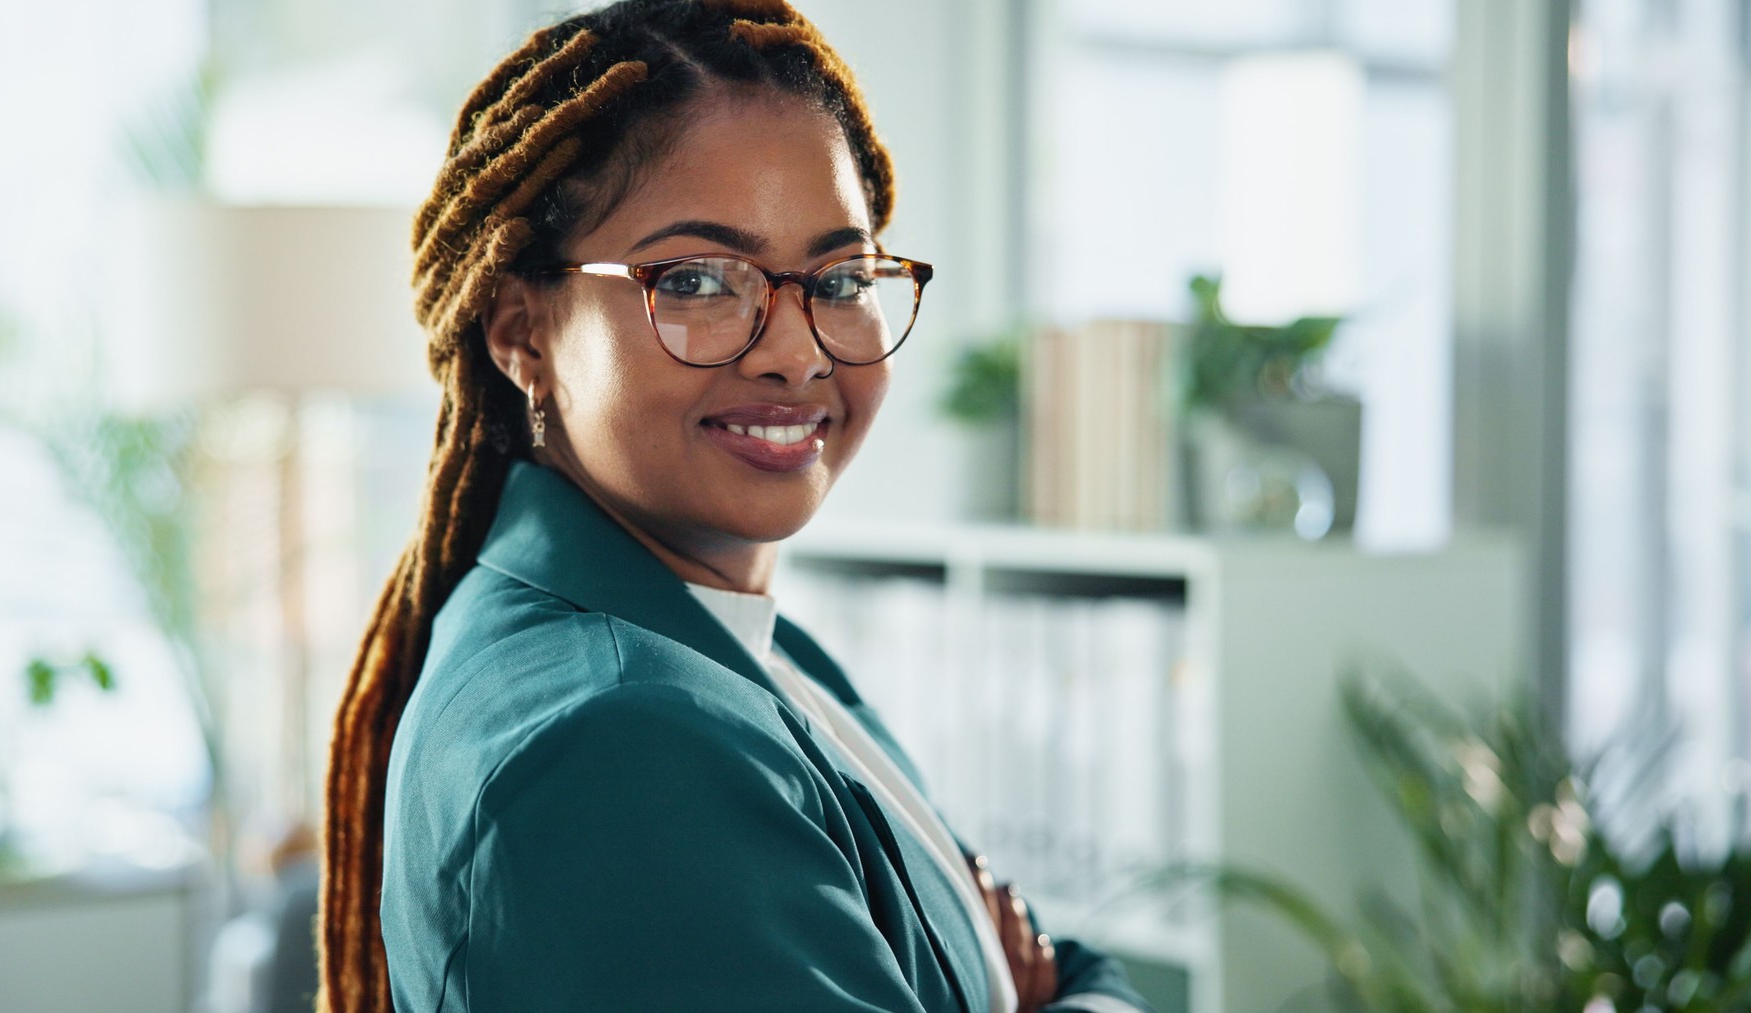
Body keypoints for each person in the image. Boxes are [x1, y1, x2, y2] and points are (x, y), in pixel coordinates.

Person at [318, 2, 1155, 1011]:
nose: (798, 350)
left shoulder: (742, 642)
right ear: (521, 335)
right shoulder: (617, 740)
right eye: (702, 278)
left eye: (840, 276)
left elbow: (1061, 960)